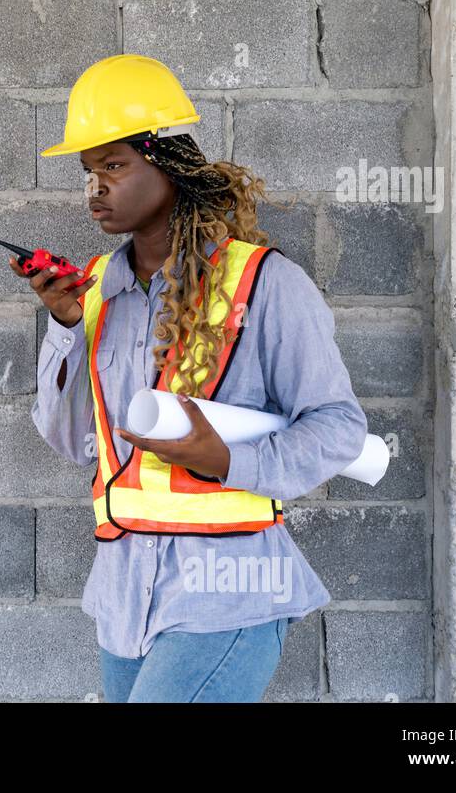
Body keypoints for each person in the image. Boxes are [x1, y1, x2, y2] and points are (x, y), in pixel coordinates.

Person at [21, 54, 369, 703]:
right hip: (125, 599)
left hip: (225, 591)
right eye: (89, 172)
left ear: (167, 165)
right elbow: (73, 441)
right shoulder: (93, 291)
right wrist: (66, 327)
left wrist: (226, 457)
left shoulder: (266, 284)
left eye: (115, 165)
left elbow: (339, 429)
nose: (96, 187)